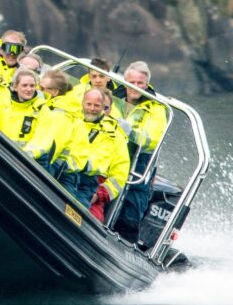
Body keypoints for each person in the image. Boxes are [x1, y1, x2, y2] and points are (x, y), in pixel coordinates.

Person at [26, 87, 129, 221]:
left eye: (97, 105)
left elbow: (113, 172)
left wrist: (99, 194)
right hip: (62, 170)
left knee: (75, 216)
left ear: (104, 108)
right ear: (82, 103)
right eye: (89, 104)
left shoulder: (112, 136)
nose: (92, 108)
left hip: (86, 182)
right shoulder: (72, 120)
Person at [112, 61, 168, 240]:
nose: (135, 87)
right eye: (132, 82)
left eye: (140, 83)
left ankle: (127, 238)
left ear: (147, 84)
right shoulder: (112, 98)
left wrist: (132, 133)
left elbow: (153, 140)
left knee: (132, 205)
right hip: (110, 154)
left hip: (138, 160)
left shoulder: (156, 108)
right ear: (125, 81)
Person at [0, 66, 42, 143]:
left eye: (32, 86)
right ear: (15, 87)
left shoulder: (41, 109)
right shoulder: (3, 104)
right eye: (24, 85)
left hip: (20, 155)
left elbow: (41, 140)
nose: (29, 89)